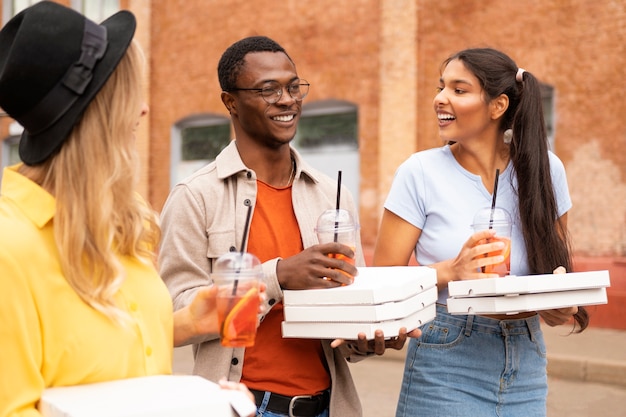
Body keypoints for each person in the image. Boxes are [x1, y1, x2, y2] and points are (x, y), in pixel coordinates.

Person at [0, 3, 252, 416]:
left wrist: (188, 322)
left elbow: (91, 358)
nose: (143, 110)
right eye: (130, 94)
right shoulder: (9, 250)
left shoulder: (120, 222)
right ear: (98, 116)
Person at [158, 35, 408, 417]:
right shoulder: (196, 196)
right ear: (231, 102)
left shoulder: (332, 195)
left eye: (293, 87)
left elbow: (344, 316)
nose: (287, 99)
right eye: (268, 89)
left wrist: (369, 335)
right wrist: (277, 276)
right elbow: (176, 313)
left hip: (330, 406)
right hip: (241, 405)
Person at [373, 47, 589, 417]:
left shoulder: (545, 170)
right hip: (446, 354)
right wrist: (450, 271)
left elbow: (554, 272)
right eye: (442, 87)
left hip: (526, 358)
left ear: (497, 106)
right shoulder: (420, 172)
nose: (440, 98)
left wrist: (560, 306)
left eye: (459, 90)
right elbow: (381, 282)